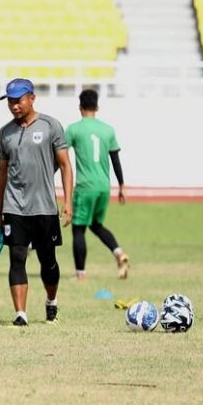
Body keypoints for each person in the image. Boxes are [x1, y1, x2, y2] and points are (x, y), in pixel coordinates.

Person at [0, 78, 74, 326]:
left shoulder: (51, 126)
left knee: (47, 261)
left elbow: (65, 165)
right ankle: (20, 313)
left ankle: (51, 301)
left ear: (32, 98)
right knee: (17, 257)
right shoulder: (5, 133)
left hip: (44, 207)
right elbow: (2, 173)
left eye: (19, 100)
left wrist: (68, 202)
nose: (14, 106)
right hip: (14, 206)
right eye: (10, 101)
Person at [65, 89, 129, 280]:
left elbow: (60, 155)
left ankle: (80, 274)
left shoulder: (74, 129)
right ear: (97, 107)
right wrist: (122, 185)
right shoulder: (108, 130)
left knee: (78, 229)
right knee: (95, 224)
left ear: (79, 107)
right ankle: (118, 252)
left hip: (85, 186)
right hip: (104, 186)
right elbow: (115, 158)